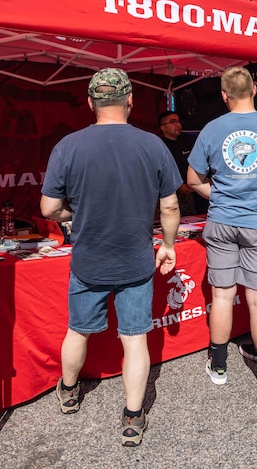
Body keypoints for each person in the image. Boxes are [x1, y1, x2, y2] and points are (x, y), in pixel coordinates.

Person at [40, 68, 182, 447]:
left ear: (90, 103)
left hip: (89, 261)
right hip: (136, 261)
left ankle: (69, 392)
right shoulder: (153, 145)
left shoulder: (68, 146)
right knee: (135, 339)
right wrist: (167, 245)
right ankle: (133, 418)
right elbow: (170, 206)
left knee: (78, 329)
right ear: (131, 99)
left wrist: (74, 216)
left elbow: (49, 207)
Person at [187, 66, 257, 396]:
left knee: (222, 295)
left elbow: (193, 179)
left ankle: (219, 366)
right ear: (254, 90)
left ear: (224, 96)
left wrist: (220, 196)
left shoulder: (211, 129)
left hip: (221, 223)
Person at [159, 110, 208, 215]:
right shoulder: (159, 145)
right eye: (173, 122)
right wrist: (177, 186)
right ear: (163, 127)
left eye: (179, 121)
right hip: (172, 195)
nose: (178, 124)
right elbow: (159, 172)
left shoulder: (189, 141)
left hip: (194, 192)